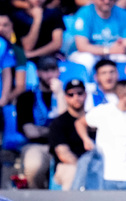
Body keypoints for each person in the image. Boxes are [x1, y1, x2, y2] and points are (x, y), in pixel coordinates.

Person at [75, 80, 126, 190]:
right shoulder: (104, 111)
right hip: (106, 175)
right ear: (122, 96)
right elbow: (80, 123)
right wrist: (86, 139)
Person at [16, 55, 66, 189]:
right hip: (36, 146)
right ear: (38, 72)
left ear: (58, 71)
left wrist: (60, 95)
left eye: (53, 69)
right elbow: (31, 132)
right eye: (45, 70)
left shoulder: (69, 95)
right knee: (34, 167)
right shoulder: (26, 98)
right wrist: (55, 131)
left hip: (64, 146)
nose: (50, 74)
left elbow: (67, 126)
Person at [70, 0, 126, 74]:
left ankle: (122, 84)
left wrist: (123, 48)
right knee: (86, 59)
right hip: (90, 53)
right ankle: (88, 84)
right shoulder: (84, 13)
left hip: (113, 52)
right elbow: (82, 46)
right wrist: (108, 50)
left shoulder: (123, 14)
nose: (107, 2)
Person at [48, 79, 89, 190]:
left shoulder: (93, 119)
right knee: (72, 171)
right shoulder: (58, 123)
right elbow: (63, 154)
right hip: (67, 166)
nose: (76, 97)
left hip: (92, 164)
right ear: (66, 97)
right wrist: (83, 168)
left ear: (85, 95)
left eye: (79, 93)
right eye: (71, 94)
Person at [0, 11, 26, 103]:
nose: (1, 29)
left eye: (5, 25)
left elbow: (20, 86)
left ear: (12, 26)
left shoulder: (17, 51)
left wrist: (4, 100)